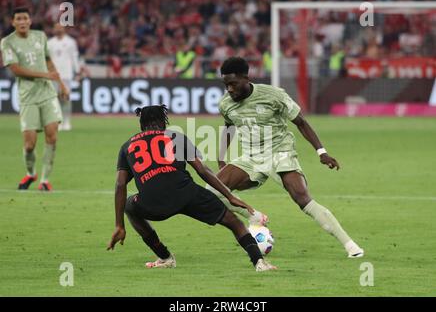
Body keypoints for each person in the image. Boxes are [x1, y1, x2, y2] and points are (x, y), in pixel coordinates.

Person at [207, 57, 364, 258]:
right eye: (225, 84)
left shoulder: (273, 95)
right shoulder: (226, 104)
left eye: (233, 84)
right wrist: (222, 158)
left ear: (246, 78)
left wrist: (322, 152)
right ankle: (254, 216)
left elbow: (301, 122)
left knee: (302, 198)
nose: (229, 89)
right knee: (212, 191)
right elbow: (228, 127)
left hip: (280, 152)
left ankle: (350, 245)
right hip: (250, 157)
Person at [107, 105, 276, 272]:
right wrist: (229, 196)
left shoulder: (127, 146)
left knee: (130, 206)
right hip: (187, 194)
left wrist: (119, 225)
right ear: (163, 122)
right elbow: (202, 170)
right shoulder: (176, 137)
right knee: (234, 223)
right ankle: (259, 262)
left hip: (153, 202)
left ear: (141, 125)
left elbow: (121, 184)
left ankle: (165, 257)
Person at [0, 7, 69, 191]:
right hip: (27, 97)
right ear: (13, 22)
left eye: (25, 18)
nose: (22, 22)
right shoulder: (7, 43)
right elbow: (15, 69)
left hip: (47, 94)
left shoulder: (40, 36)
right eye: (18, 19)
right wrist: (45, 76)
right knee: (29, 145)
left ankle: (45, 181)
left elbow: (48, 62)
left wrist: (61, 84)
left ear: (30, 21)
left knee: (52, 136)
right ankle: (31, 174)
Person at [48, 23, 80, 131]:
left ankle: (67, 121)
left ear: (64, 29)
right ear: (54, 29)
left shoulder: (70, 42)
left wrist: (77, 71)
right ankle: (58, 121)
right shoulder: (50, 43)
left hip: (66, 74)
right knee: (55, 99)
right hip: (53, 75)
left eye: (60, 27)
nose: (58, 29)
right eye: (56, 27)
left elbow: (74, 57)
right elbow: (47, 59)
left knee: (65, 98)